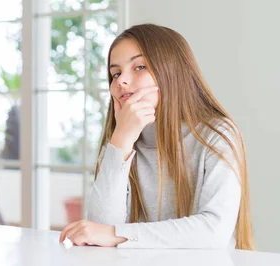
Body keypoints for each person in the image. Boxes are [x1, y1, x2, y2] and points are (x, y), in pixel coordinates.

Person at [58, 24, 253, 250]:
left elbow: (214, 231)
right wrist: (121, 141)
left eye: (139, 67)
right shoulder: (121, 140)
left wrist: (115, 234)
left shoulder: (217, 135)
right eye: (116, 73)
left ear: (173, 73)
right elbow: (101, 232)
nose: (121, 81)